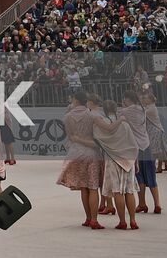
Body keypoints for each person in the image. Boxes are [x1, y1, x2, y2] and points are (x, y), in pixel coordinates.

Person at [57, 90, 104, 230]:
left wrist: (78, 140)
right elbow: (100, 138)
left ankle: (88, 218)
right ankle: (95, 219)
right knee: (94, 187)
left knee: (84, 187)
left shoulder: (67, 117)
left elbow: (71, 138)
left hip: (76, 154)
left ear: (76, 100)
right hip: (92, 154)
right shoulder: (94, 116)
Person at [94, 99, 140, 230]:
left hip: (112, 159)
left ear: (104, 110)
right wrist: (135, 160)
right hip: (127, 160)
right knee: (129, 191)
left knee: (117, 191)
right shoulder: (124, 124)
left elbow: (97, 139)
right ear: (116, 109)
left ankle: (122, 221)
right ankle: (133, 221)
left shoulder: (103, 125)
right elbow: (134, 144)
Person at [119, 91, 157, 214]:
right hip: (146, 144)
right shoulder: (142, 109)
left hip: (136, 147)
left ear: (127, 99)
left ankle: (142, 203)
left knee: (139, 176)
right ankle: (157, 204)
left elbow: (118, 117)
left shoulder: (125, 111)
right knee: (151, 176)